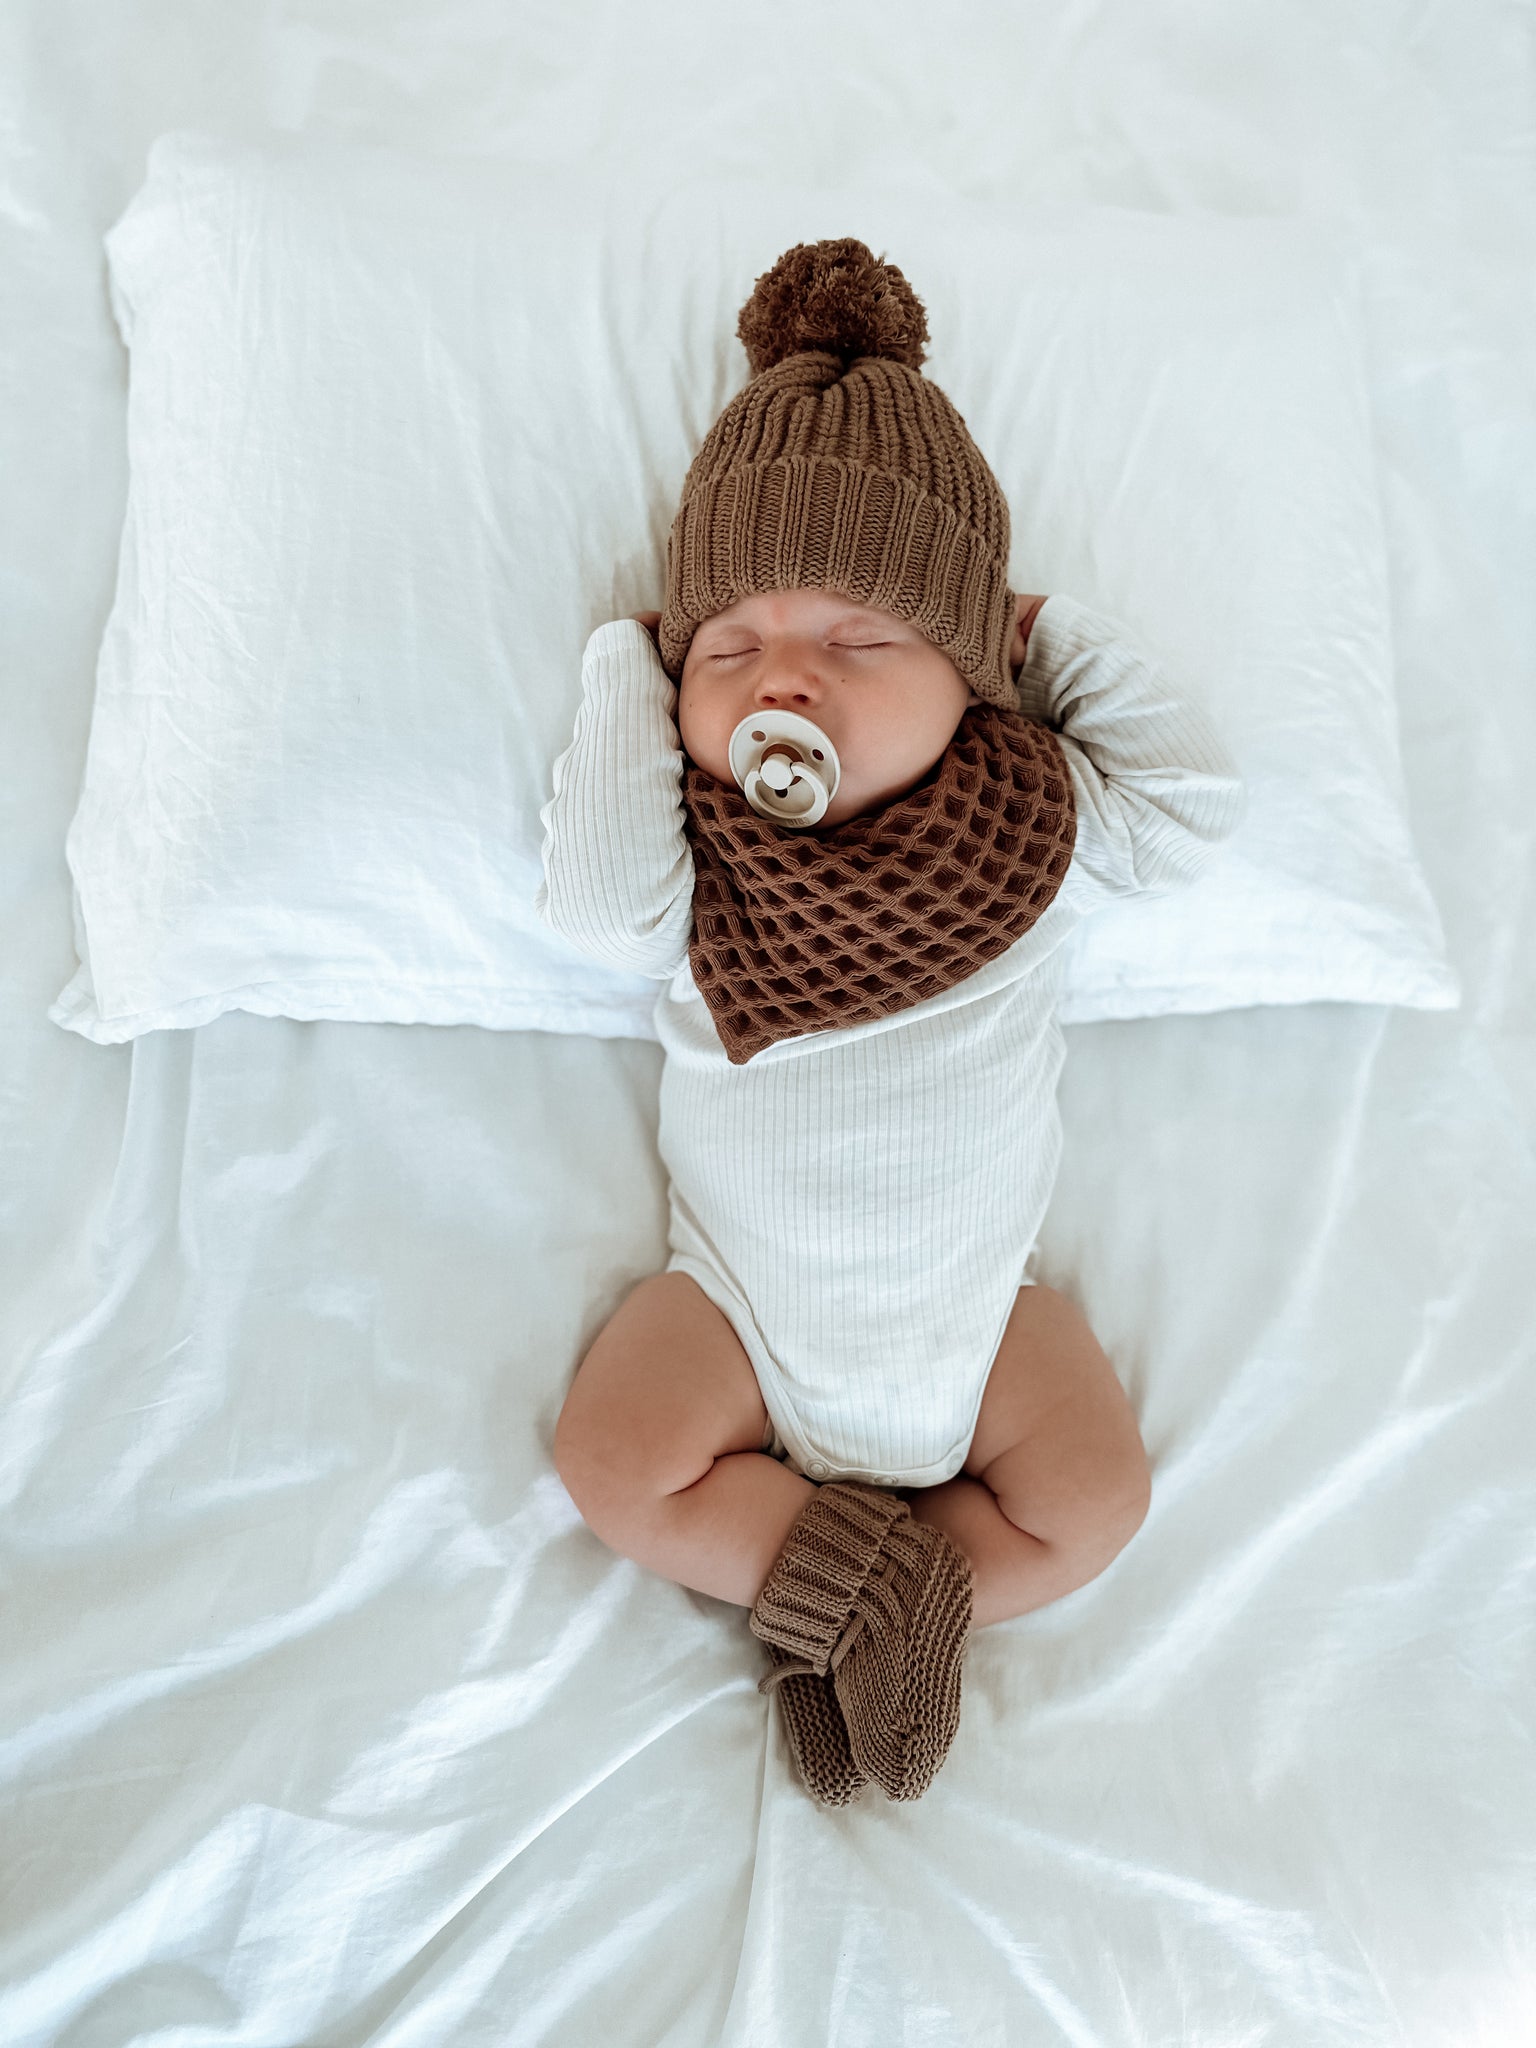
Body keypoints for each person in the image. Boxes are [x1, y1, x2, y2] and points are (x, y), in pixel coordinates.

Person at [536, 237, 1246, 1808]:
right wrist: (620, 668)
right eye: (731, 647)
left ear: (971, 664)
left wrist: (1042, 634)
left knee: (1096, 1498)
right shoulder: (702, 865)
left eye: (862, 640)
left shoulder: (1033, 830)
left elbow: (1194, 811)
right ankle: (868, 1591)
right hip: (736, 1317)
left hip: (976, 1326)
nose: (787, 674)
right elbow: (592, 908)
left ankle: (892, 1606)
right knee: (611, 1458)